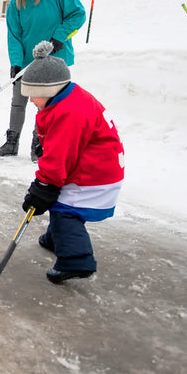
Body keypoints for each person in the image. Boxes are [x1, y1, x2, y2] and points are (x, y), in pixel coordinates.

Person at [19, 41, 124, 284]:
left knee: (65, 210)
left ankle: (76, 259)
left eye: (34, 95)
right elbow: (58, 144)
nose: (32, 101)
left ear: (50, 90)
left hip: (94, 175)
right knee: (62, 203)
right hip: (92, 166)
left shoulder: (69, 112)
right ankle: (57, 239)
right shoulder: (66, 99)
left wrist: (43, 186)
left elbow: (59, 157)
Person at [0, 0, 86, 161]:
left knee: (44, 104)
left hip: (54, 58)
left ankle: (38, 145)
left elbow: (78, 14)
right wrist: (16, 62)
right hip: (27, 61)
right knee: (18, 101)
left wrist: (60, 36)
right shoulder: (17, 3)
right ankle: (12, 142)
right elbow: (14, 35)